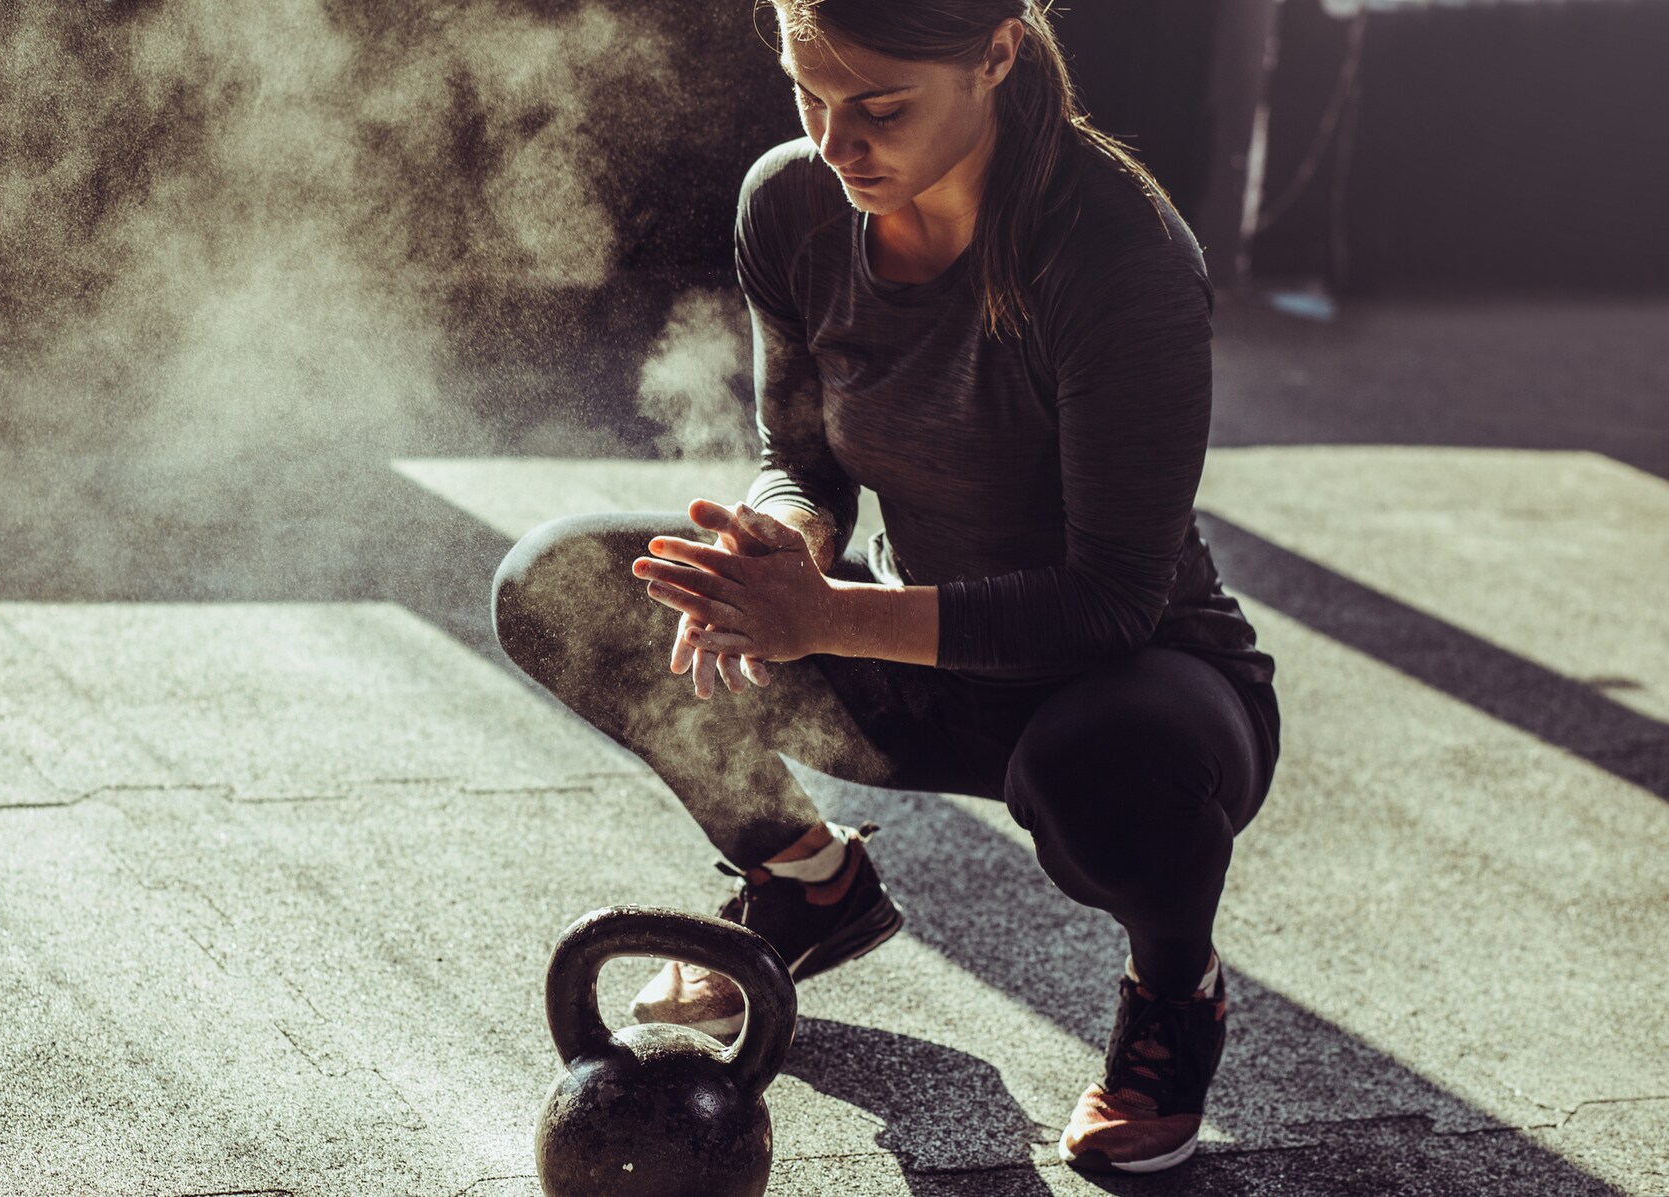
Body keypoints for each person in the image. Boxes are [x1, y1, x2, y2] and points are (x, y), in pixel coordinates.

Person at [491, 0, 1280, 1176]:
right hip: (916, 668)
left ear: (995, 54)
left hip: (1131, 687)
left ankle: (1173, 992)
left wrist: (822, 615)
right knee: (557, 584)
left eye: (879, 106)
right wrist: (781, 543)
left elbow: (1108, 599)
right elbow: (800, 461)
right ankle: (805, 883)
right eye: (807, 95)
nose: (834, 140)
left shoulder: (1120, 252)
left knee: (1098, 766)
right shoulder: (792, 202)